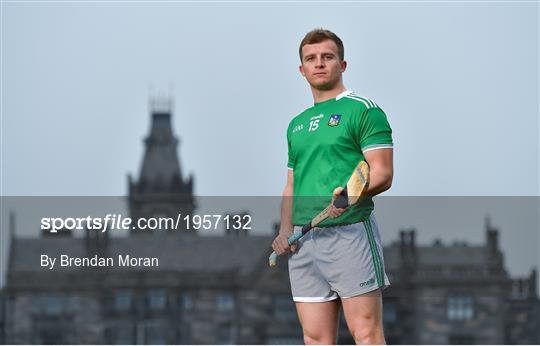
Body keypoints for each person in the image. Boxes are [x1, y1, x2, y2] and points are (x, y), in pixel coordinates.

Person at [271, 28, 394, 345]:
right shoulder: (296, 124)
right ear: (302, 70)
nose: (319, 63)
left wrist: (352, 195)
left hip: (350, 232)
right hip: (305, 240)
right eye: (311, 59)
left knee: (366, 332)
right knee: (314, 339)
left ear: (343, 64)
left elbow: (382, 173)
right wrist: (285, 231)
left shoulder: (363, 109)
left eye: (328, 57)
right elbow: (291, 185)